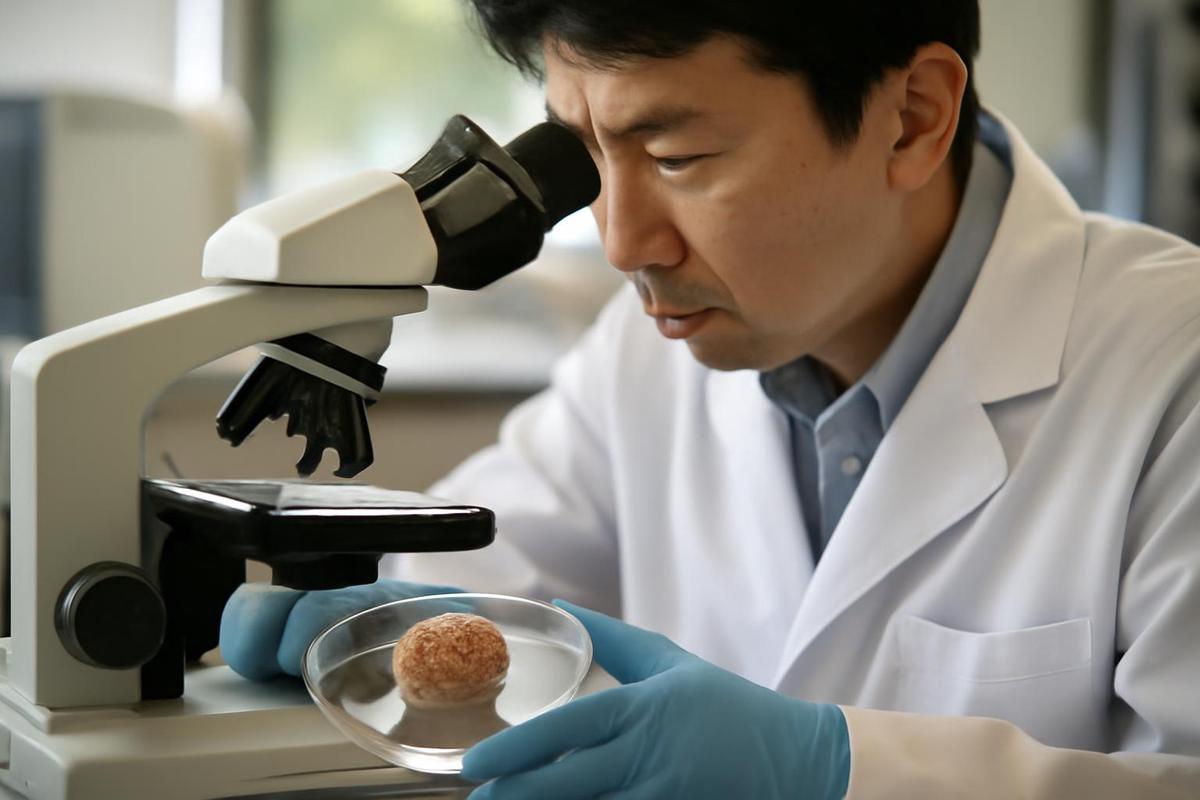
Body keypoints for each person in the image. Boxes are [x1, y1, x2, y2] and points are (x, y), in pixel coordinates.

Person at [219, 1, 1200, 797]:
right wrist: (366, 631)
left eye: (676, 158)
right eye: (588, 158)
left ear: (911, 116)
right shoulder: (642, 354)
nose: (623, 243)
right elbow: (494, 578)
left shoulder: (1173, 369)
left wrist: (840, 774)